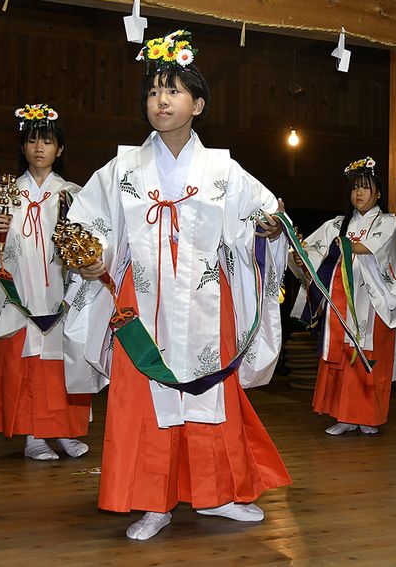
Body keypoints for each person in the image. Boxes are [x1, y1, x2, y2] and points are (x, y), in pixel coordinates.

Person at [63, 30, 291, 541]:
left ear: (198, 103)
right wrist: (89, 253)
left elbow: (265, 215)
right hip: (141, 308)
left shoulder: (223, 170)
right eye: (152, 91)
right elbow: (90, 224)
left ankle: (219, 494)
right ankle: (153, 501)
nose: (161, 100)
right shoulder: (124, 168)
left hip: (208, 304)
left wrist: (268, 229)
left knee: (213, 398)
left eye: (174, 90)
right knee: (146, 401)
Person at [0, 104, 90, 461]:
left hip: (58, 293)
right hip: (19, 297)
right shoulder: (7, 195)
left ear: (60, 149)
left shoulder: (71, 193)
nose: (40, 148)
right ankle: (33, 437)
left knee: (62, 365)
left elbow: (89, 240)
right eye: (32, 141)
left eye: (48, 141)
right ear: (22, 148)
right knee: (23, 367)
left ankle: (65, 431)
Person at [288, 157, 396, 436]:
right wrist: (301, 256)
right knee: (341, 356)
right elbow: (310, 252)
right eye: (355, 188)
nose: (359, 194)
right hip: (341, 302)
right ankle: (343, 415)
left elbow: (372, 249)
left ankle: (368, 417)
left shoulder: (386, 222)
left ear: (378, 193)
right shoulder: (336, 224)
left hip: (373, 303)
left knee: (370, 357)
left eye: (366, 187)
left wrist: (342, 247)